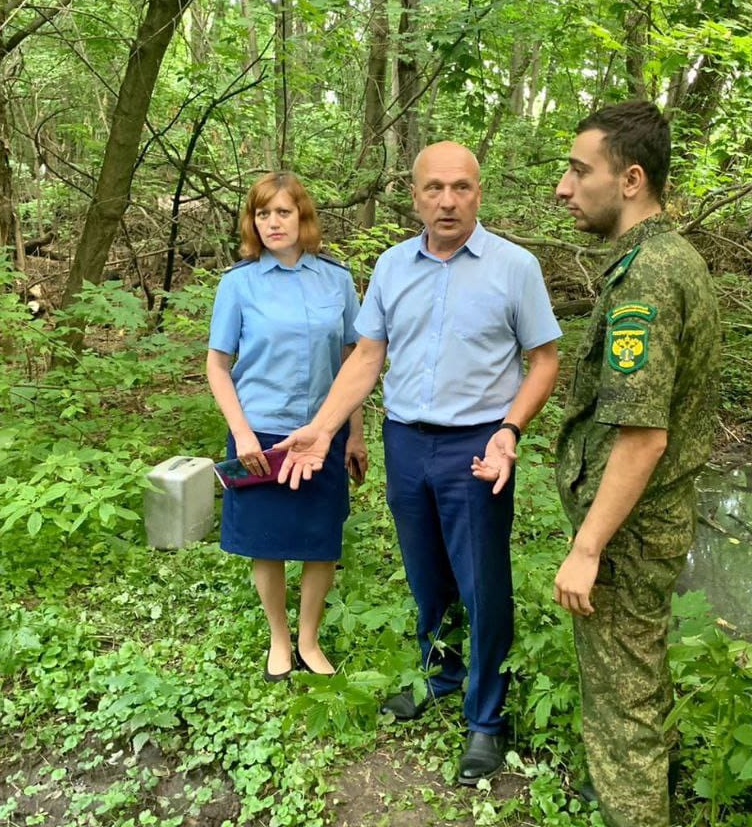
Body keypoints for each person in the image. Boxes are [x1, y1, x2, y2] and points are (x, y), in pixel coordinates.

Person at [276, 142, 561, 783]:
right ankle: (441, 672)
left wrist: (511, 429)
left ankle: (485, 718)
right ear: (415, 196)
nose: (448, 200)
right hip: (406, 440)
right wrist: (322, 429)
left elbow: (544, 361)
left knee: (482, 581)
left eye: (461, 187)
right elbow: (367, 356)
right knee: (426, 571)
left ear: (479, 193)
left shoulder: (514, 267)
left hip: (477, 446)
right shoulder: (391, 267)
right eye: (434, 188)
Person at [552, 100, 720, 827]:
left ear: (630, 179)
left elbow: (641, 435)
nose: (564, 186)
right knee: (640, 673)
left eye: (578, 169)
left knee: (621, 700)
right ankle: (653, 783)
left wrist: (587, 548)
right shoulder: (666, 257)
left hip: (628, 533)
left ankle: (636, 807)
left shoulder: (649, 278)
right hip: (653, 520)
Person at [205, 171, 369, 682]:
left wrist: (355, 433)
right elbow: (217, 365)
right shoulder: (239, 284)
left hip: (323, 432)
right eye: (262, 213)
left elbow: (353, 361)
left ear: (303, 216)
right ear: (252, 222)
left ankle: (309, 638)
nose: (273, 223)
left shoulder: (337, 280)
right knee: (267, 539)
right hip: (261, 432)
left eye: (283, 212)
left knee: (321, 539)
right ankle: (279, 638)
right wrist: (245, 433)